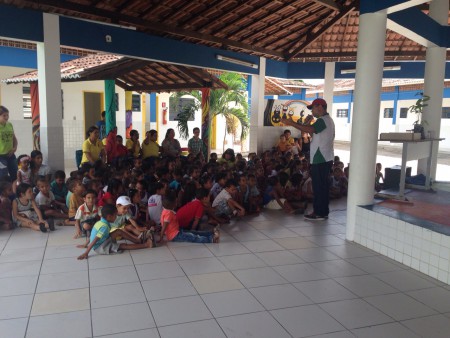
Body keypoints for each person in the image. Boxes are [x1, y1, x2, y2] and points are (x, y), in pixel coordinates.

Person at [282, 98, 335, 220]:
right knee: (322, 186)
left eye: (313, 108)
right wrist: (307, 123)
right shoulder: (326, 121)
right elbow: (309, 133)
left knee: (319, 187)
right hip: (324, 157)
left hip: (320, 158)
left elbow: (310, 130)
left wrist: (290, 123)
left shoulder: (323, 120)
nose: (312, 112)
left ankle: (319, 213)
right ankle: (322, 211)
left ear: (320, 107)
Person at [77, 204, 152, 260]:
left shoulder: (100, 222)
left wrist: (85, 244)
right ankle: (146, 245)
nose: (116, 217)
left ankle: (138, 240)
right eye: (115, 215)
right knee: (122, 246)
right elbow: (95, 239)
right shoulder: (104, 227)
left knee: (118, 231)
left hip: (103, 240)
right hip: (100, 247)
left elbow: (92, 235)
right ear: (109, 216)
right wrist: (86, 252)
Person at [0, 106, 18, 180]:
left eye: (7, 115)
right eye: (4, 115)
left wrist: (14, 148)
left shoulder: (9, 125)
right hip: (1, 156)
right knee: (3, 176)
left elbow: (14, 138)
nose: (6, 117)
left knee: (15, 175)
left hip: (11, 154)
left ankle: (14, 191)